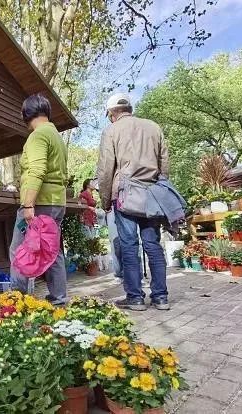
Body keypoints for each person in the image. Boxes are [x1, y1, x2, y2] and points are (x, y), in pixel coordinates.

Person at [96, 93, 170, 311]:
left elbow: (105, 169)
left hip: (125, 195)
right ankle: (161, 297)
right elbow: (164, 163)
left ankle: (135, 298)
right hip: (151, 194)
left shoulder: (111, 131)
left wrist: (105, 199)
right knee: (153, 245)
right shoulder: (153, 127)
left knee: (129, 246)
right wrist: (161, 187)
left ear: (111, 113)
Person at [9, 93, 68, 305]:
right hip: (56, 201)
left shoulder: (38, 136)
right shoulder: (56, 136)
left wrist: (27, 204)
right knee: (51, 250)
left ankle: (18, 300)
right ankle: (59, 298)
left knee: (19, 250)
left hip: (39, 202)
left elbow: (36, 169)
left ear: (26, 114)